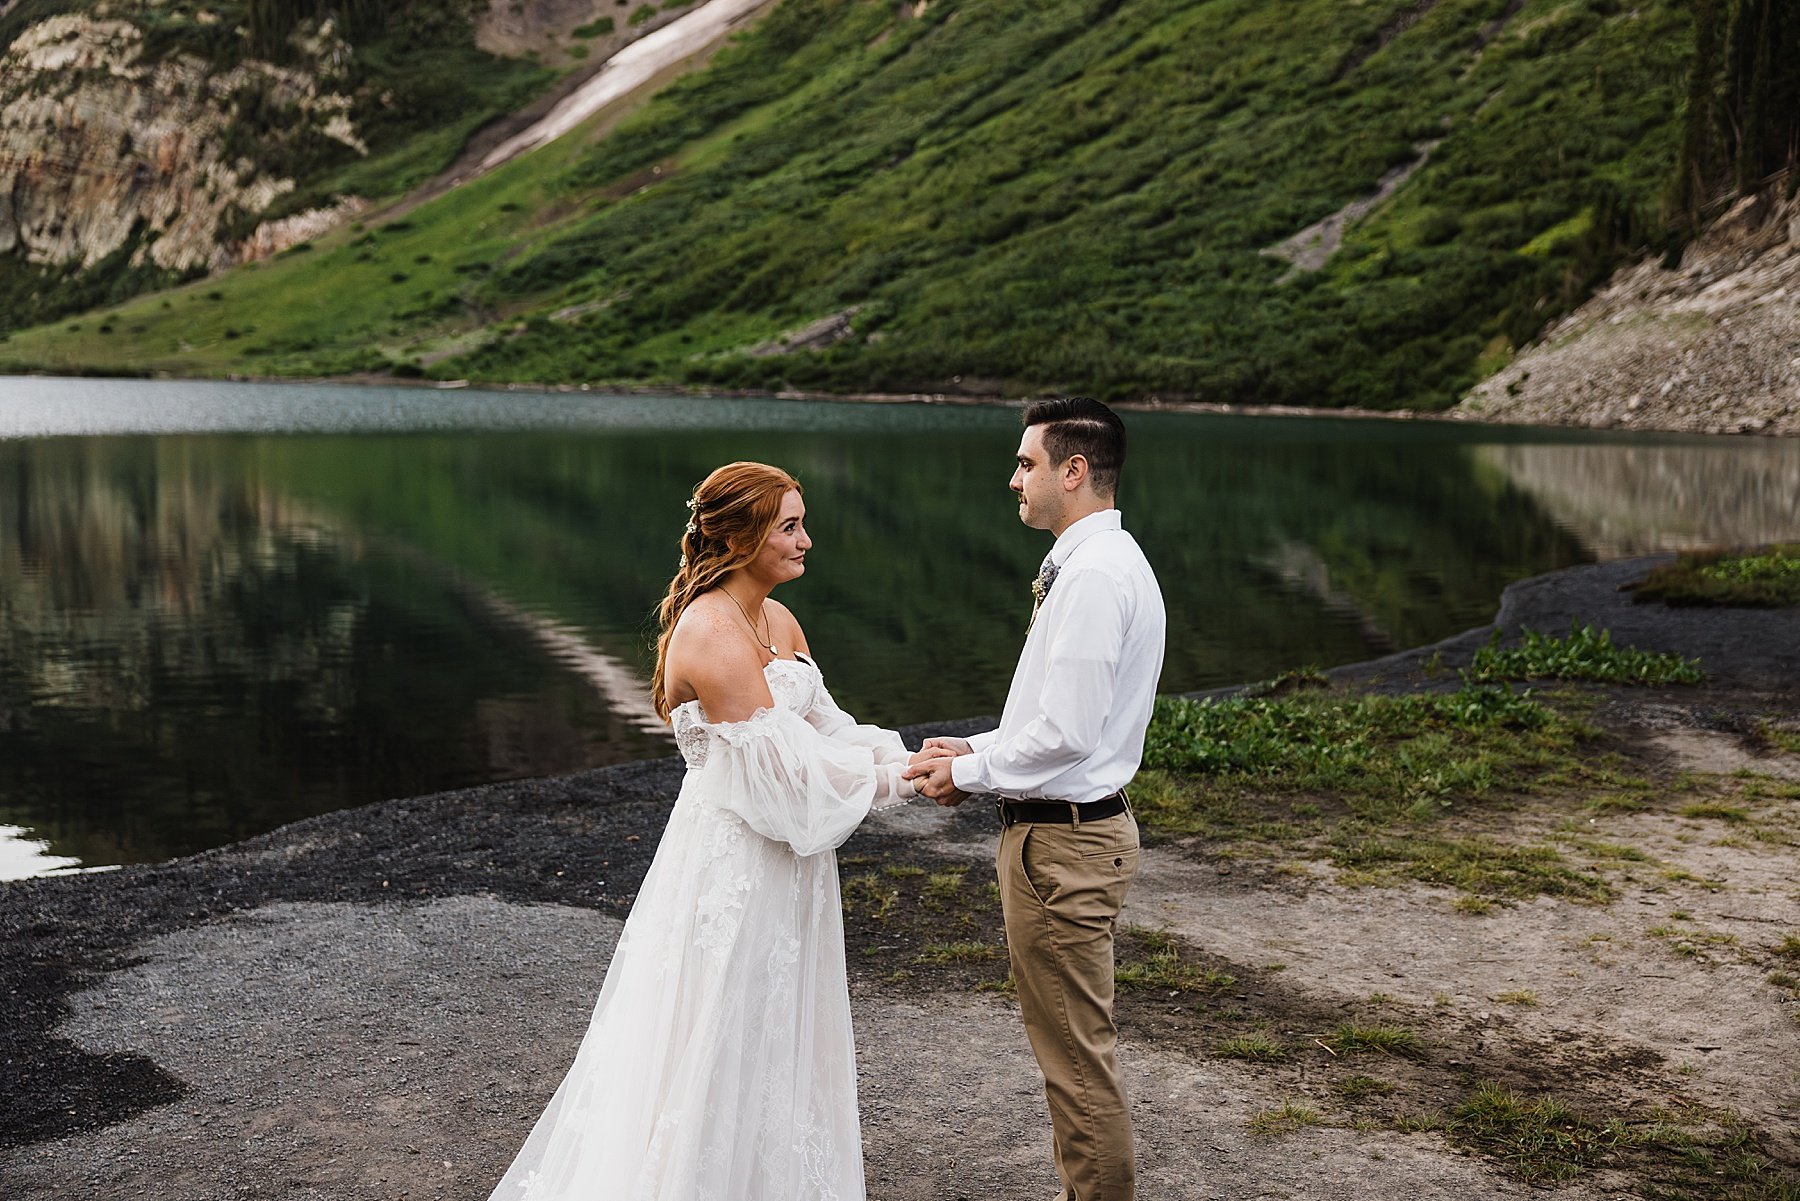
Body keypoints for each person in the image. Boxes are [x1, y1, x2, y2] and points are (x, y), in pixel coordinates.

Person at [487, 461, 918, 1201]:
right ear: (743, 536)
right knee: (716, 1038)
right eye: (789, 525)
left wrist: (907, 754)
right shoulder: (711, 632)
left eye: (800, 521)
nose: (806, 539)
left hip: (791, 866)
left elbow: (828, 729)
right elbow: (785, 786)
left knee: (780, 1037)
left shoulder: (776, 619)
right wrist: (902, 783)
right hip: (737, 866)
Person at [905, 397, 1165, 1201]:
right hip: (1071, 836)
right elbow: (1053, 723)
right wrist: (976, 747)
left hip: (1063, 850)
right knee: (1074, 1057)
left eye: (1027, 462)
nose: (1013, 476)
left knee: (1078, 1069)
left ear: (1074, 471)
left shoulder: (1093, 576)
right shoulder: (1103, 564)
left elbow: (1067, 733)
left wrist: (970, 774)